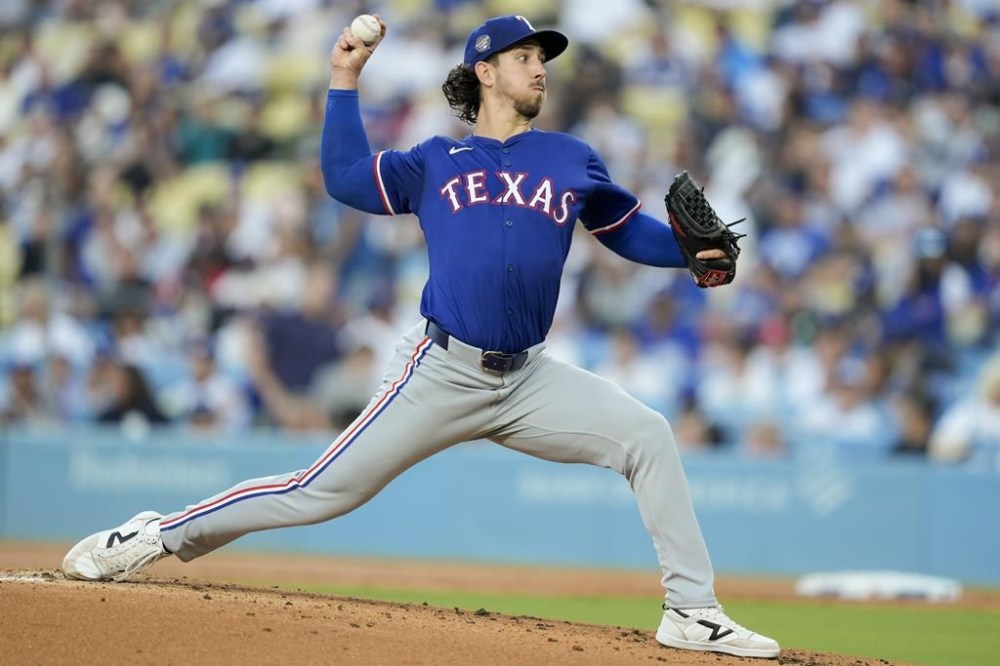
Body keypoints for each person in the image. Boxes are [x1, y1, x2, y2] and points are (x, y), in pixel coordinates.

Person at [60, 15, 779, 659]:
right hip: (441, 371)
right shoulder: (435, 160)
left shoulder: (570, 157)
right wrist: (344, 77)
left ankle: (692, 611)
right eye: (526, 55)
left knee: (648, 435)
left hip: (530, 379)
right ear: (485, 72)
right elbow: (344, 177)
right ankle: (153, 536)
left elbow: (626, 231)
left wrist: (688, 254)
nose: (541, 67)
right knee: (317, 491)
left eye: (544, 57)